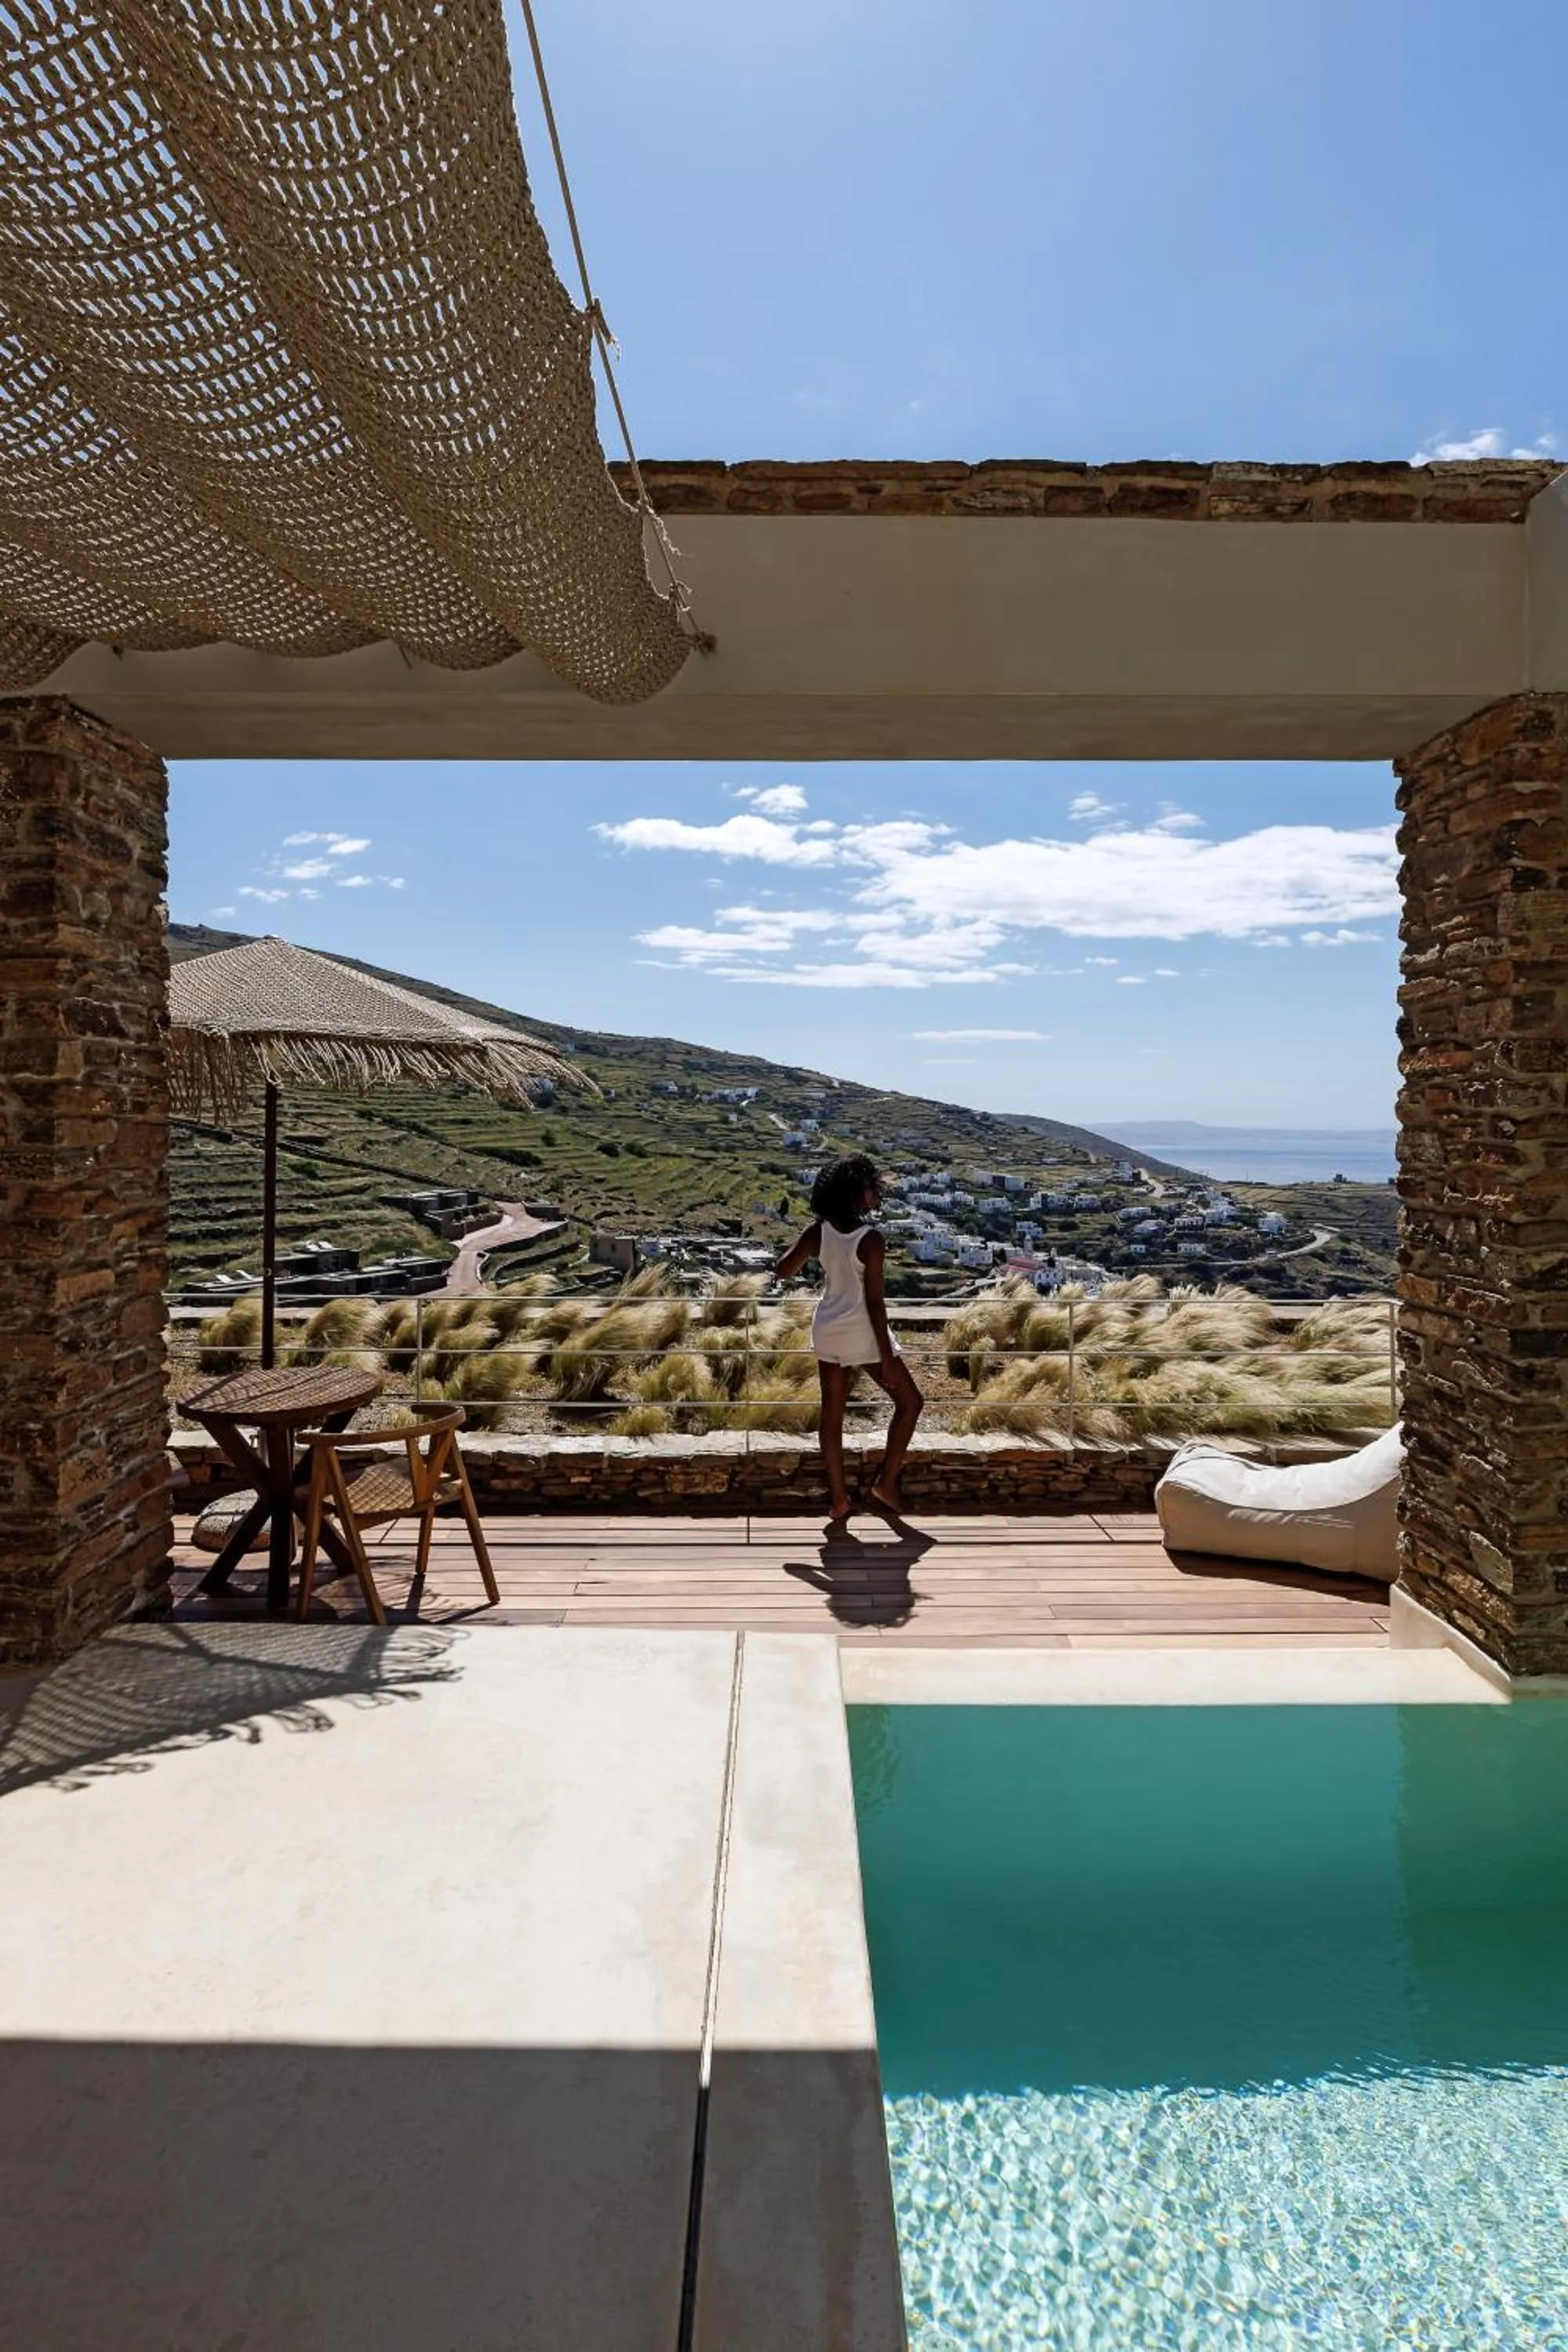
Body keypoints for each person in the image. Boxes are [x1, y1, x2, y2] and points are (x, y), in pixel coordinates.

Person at [773, 1154, 925, 1523]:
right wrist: (886, 1355)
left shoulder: (818, 1230)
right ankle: (886, 1483)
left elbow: (783, 1270)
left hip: (828, 1328)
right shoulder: (870, 1239)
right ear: (858, 1192)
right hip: (863, 1332)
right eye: (871, 1188)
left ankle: (839, 1501)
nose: (875, 1194)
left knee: (832, 1416)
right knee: (911, 1403)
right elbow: (874, 1303)